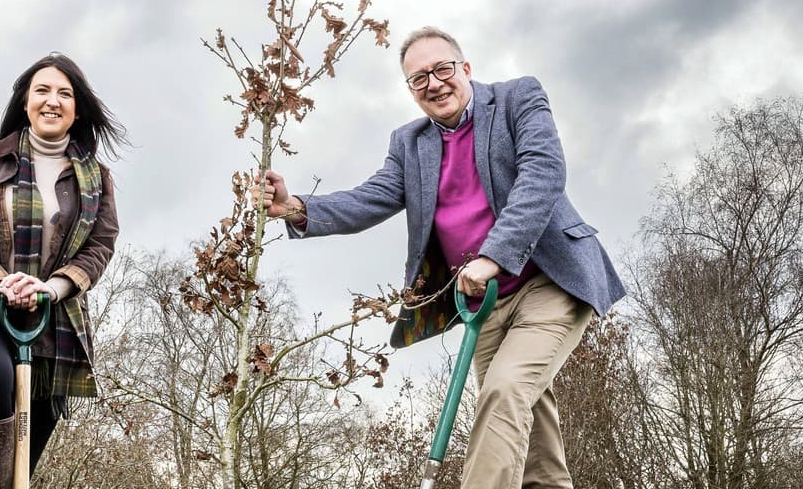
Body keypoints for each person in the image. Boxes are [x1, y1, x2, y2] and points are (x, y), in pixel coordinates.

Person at [252, 27, 625, 488]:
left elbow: (542, 173)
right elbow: (371, 198)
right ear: (411, 91)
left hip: (550, 280)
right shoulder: (409, 144)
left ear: (465, 69)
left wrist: (494, 255)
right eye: (418, 78)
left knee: (506, 393)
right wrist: (295, 207)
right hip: (484, 304)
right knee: (517, 406)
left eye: (442, 69)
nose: (433, 83)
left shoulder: (517, 99)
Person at [0, 53, 125, 488]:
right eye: (42, 90)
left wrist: (51, 289)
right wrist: (0, 283)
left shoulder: (97, 178)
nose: (52, 101)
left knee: (19, 469)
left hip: (52, 323)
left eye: (65, 94)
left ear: (78, 109)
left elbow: (100, 246)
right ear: (24, 102)